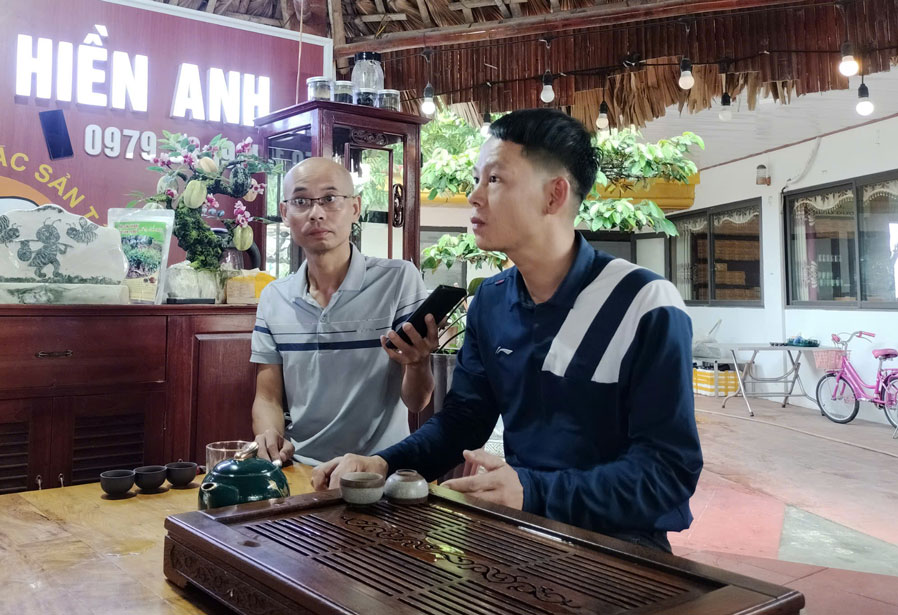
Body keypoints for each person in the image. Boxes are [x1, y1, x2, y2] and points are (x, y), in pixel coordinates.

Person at [311, 109, 703, 552]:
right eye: (476, 180)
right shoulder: (493, 300)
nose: (474, 197)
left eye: (494, 180)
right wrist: (383, 463)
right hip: (520, 539)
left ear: (554, 195)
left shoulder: (644, 303)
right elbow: (463, 422)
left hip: (622, 551)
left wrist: (533, 492)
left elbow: (668, 475)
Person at [250, 157, 438, 466]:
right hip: (301, 469)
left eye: (330, 199)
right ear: (285, 213)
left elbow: (417, 402)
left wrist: (419, 364)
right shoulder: (274, 297)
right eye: (301, 201)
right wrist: (270, 437)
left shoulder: (398, 280)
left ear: (355, 207)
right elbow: (267, 396)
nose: (316, 213)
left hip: (378, 471)